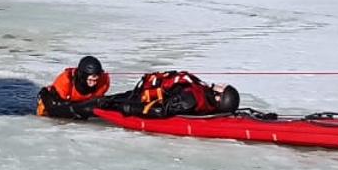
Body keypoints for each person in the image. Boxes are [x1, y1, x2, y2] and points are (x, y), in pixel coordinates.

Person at [102, 71, 241, 119]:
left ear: (218, 97)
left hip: (141, 99)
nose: (219, 84)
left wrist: (128, 108)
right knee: (106, 99)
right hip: (145, 93)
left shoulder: (192, 99)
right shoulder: (203, 93)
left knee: (103, 102)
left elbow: (160, 110)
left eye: (222, 87)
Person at [36, 56, 111, 119]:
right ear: (83, 76)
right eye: (90, 80)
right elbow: (55, 107)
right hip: (54, 105)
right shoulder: (66, 81)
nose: (94, 83)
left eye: (96, 80)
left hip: (82, 105)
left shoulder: (103, 81)